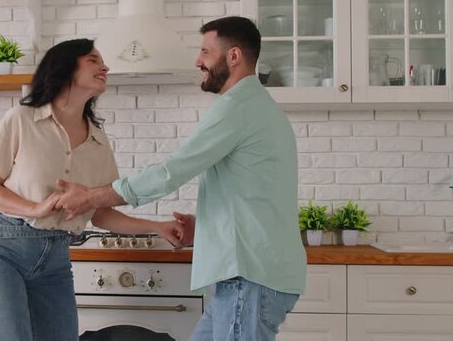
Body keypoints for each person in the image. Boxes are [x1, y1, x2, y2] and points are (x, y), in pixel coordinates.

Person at [55, 17, 307, 340]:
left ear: (233, 57)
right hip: (248, 276)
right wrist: (203, 227)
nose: (198, 61)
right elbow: (258, 198)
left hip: (248, 279)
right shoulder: (259, 107)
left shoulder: (236, 107)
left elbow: (170, 172)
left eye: (205, 51)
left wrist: (90, 197)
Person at [0, 38, 184, 341]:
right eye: (93, 60)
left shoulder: (98, 142)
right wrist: (35, 208)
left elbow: (100, 215)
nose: (105, 67)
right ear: (65, 67)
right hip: (4, 247)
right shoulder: (22, 119)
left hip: (55, 255)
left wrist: (157, 227)